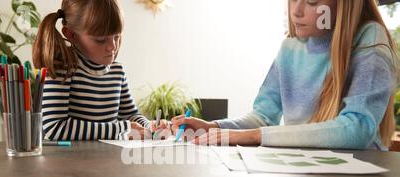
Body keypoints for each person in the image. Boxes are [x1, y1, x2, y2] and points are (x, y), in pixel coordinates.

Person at [172, 0, 398, 150]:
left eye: (311, 1)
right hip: (304, 174)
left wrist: (255, 136)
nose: (296, 10)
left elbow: (357, 129)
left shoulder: (370, 38)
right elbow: (262, 116)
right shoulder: (290, 48)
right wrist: (215, 128)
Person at [33, 0, 165, 141]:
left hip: (106, 159)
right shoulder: (62, 69)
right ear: (71, 35)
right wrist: (120, 128)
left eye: (117, 36)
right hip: (69, 161)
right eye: (101, 40)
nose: (112, 46)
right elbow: (55, 127)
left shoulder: (117, 71)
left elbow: (130, 114)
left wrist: (149, 125)